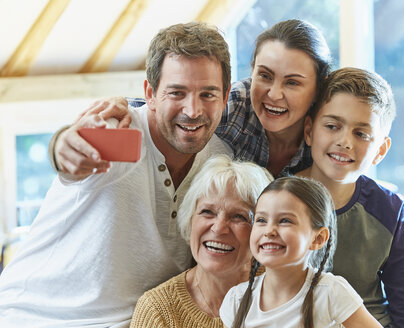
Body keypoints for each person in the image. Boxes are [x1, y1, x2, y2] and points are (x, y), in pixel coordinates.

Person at [0, 22, 232, 327]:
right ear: (150, 93)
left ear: (226, 95)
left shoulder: (220, 160)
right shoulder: (116, 129)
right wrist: (63, 145)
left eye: (208, 94)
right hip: (34, 318)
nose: (193, 109)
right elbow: (70, 151)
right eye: (177, 92)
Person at [59, 19, 332, 178]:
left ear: (318, 89)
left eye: (293, 82)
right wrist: (119, 105)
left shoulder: (330, 130)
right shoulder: (234, 105)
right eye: (264, 76)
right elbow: (169, 109)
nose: (273, 94)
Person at [297, 67, 404, 327]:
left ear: (380, 151)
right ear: (309, 131)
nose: (344, 141)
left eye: (361, 134)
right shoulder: (274, 194)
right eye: (332, 126)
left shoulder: (389, 209)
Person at [130, 155, 273, 328]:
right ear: (190, 220)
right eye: (207, 212)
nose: (219, 228)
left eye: (238, 216)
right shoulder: (157, 311)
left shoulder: (286, 289)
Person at [219, 176, 382, 328]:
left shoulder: (331, 292)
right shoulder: (236, 299)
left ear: (318, 239)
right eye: (261, 220)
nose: (269, 231)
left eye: (285, 221)